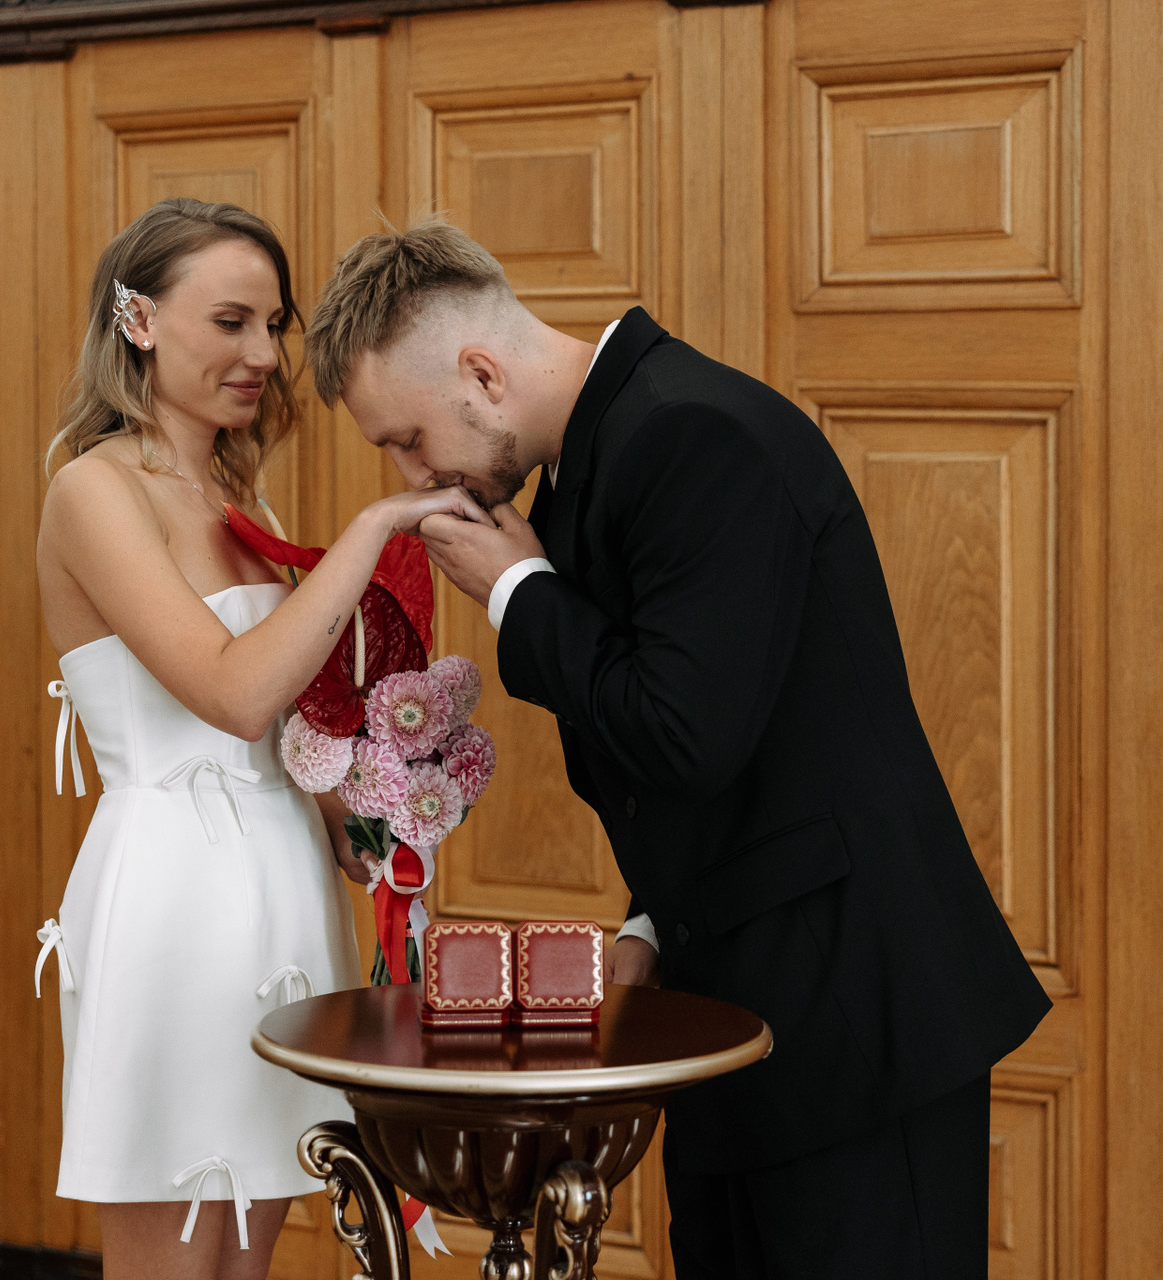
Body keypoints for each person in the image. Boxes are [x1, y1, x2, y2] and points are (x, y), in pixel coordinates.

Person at [304, 220, 1053, 1279]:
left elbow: (683, 730)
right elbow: (721, 739)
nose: (414, 477)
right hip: (737, 1017)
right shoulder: (590, 465)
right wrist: (650, 921)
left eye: (408, 439)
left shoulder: (690, 433)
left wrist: (520, 594)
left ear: (482, 374)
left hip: (856, 1025)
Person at [33, 199, 486, 1280]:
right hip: (174, 901)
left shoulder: (236, 495)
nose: (264, 355)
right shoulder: (93, 490)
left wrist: (365, 822)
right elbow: (234, 695)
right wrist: (375, 527)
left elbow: (280, 727)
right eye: (231, 321)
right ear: (139, 320)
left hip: (281, 894)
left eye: (273, 325)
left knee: (247, 1259)